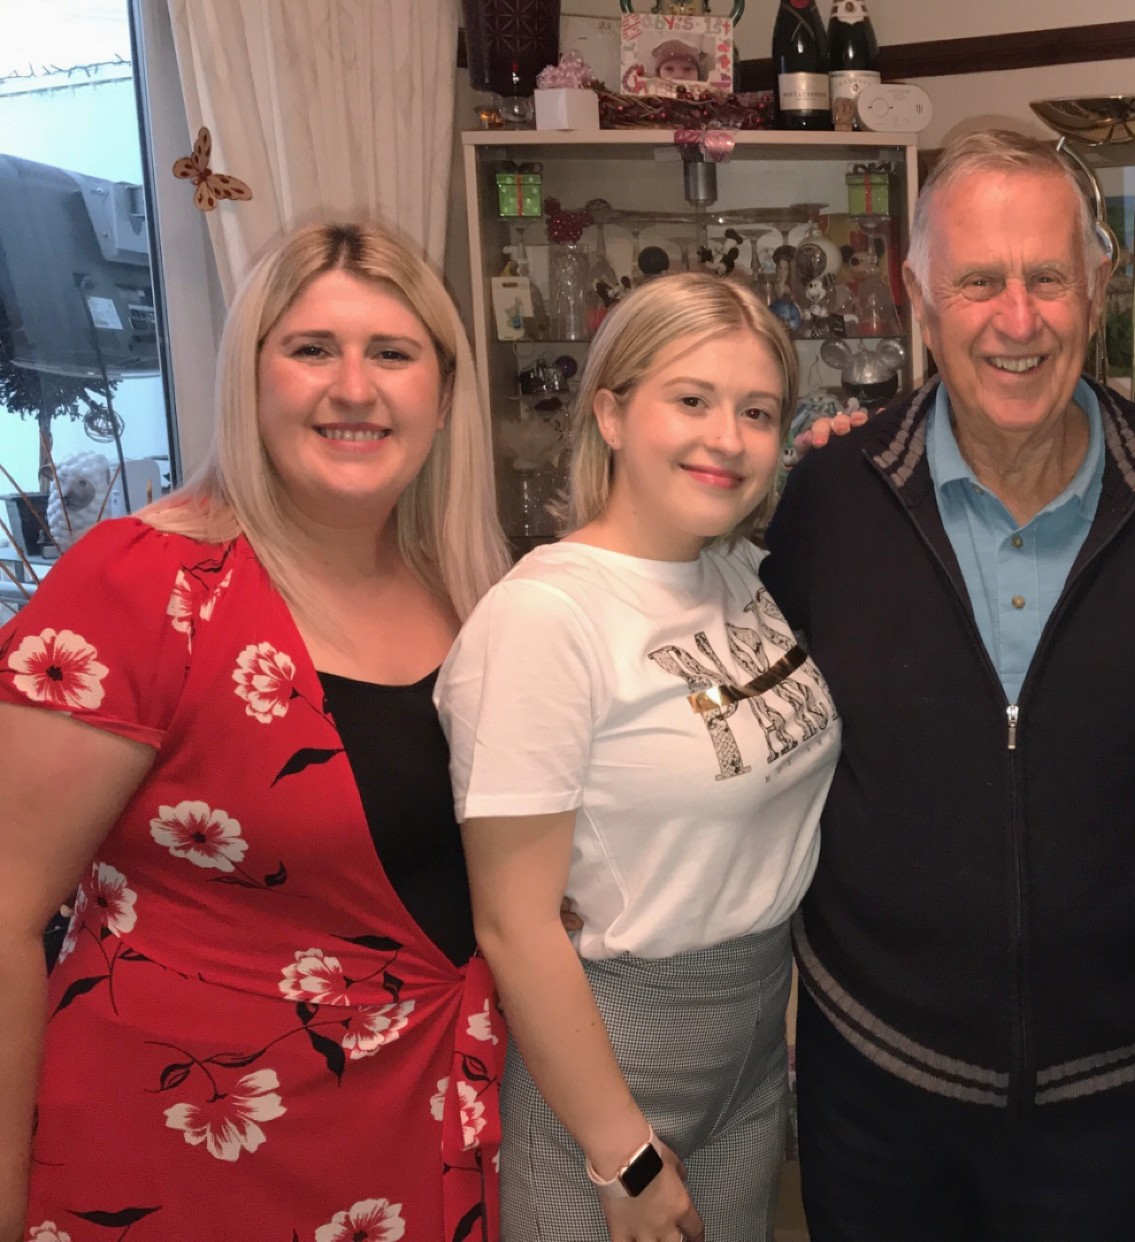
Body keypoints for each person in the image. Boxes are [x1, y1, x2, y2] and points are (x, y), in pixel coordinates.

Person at [760, 128, 1135, 1241]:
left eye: (1049, 278)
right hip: (876, 1097)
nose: (1018, 318)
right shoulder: (833, 499)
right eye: (979, 281)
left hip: (1121, 1104)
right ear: (919, 296)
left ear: (1098, 289)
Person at [0, 221, 509, 1239]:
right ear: (251, 379)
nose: (354, 388)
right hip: (182, 1159)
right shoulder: (142, 583)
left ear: (444, 396)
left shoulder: (471, 594)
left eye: (394, 353)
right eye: (313, 348)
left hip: (414, 1140)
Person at [439, 273, 836, 1241]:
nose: (726, 439)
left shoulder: (741, 575)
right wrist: (624, 1157)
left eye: (757, 412)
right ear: (612, 412)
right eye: (690, 401)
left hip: (751, 1038)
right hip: (617, 1056)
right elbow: (515, 924)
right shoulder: (546, 617)